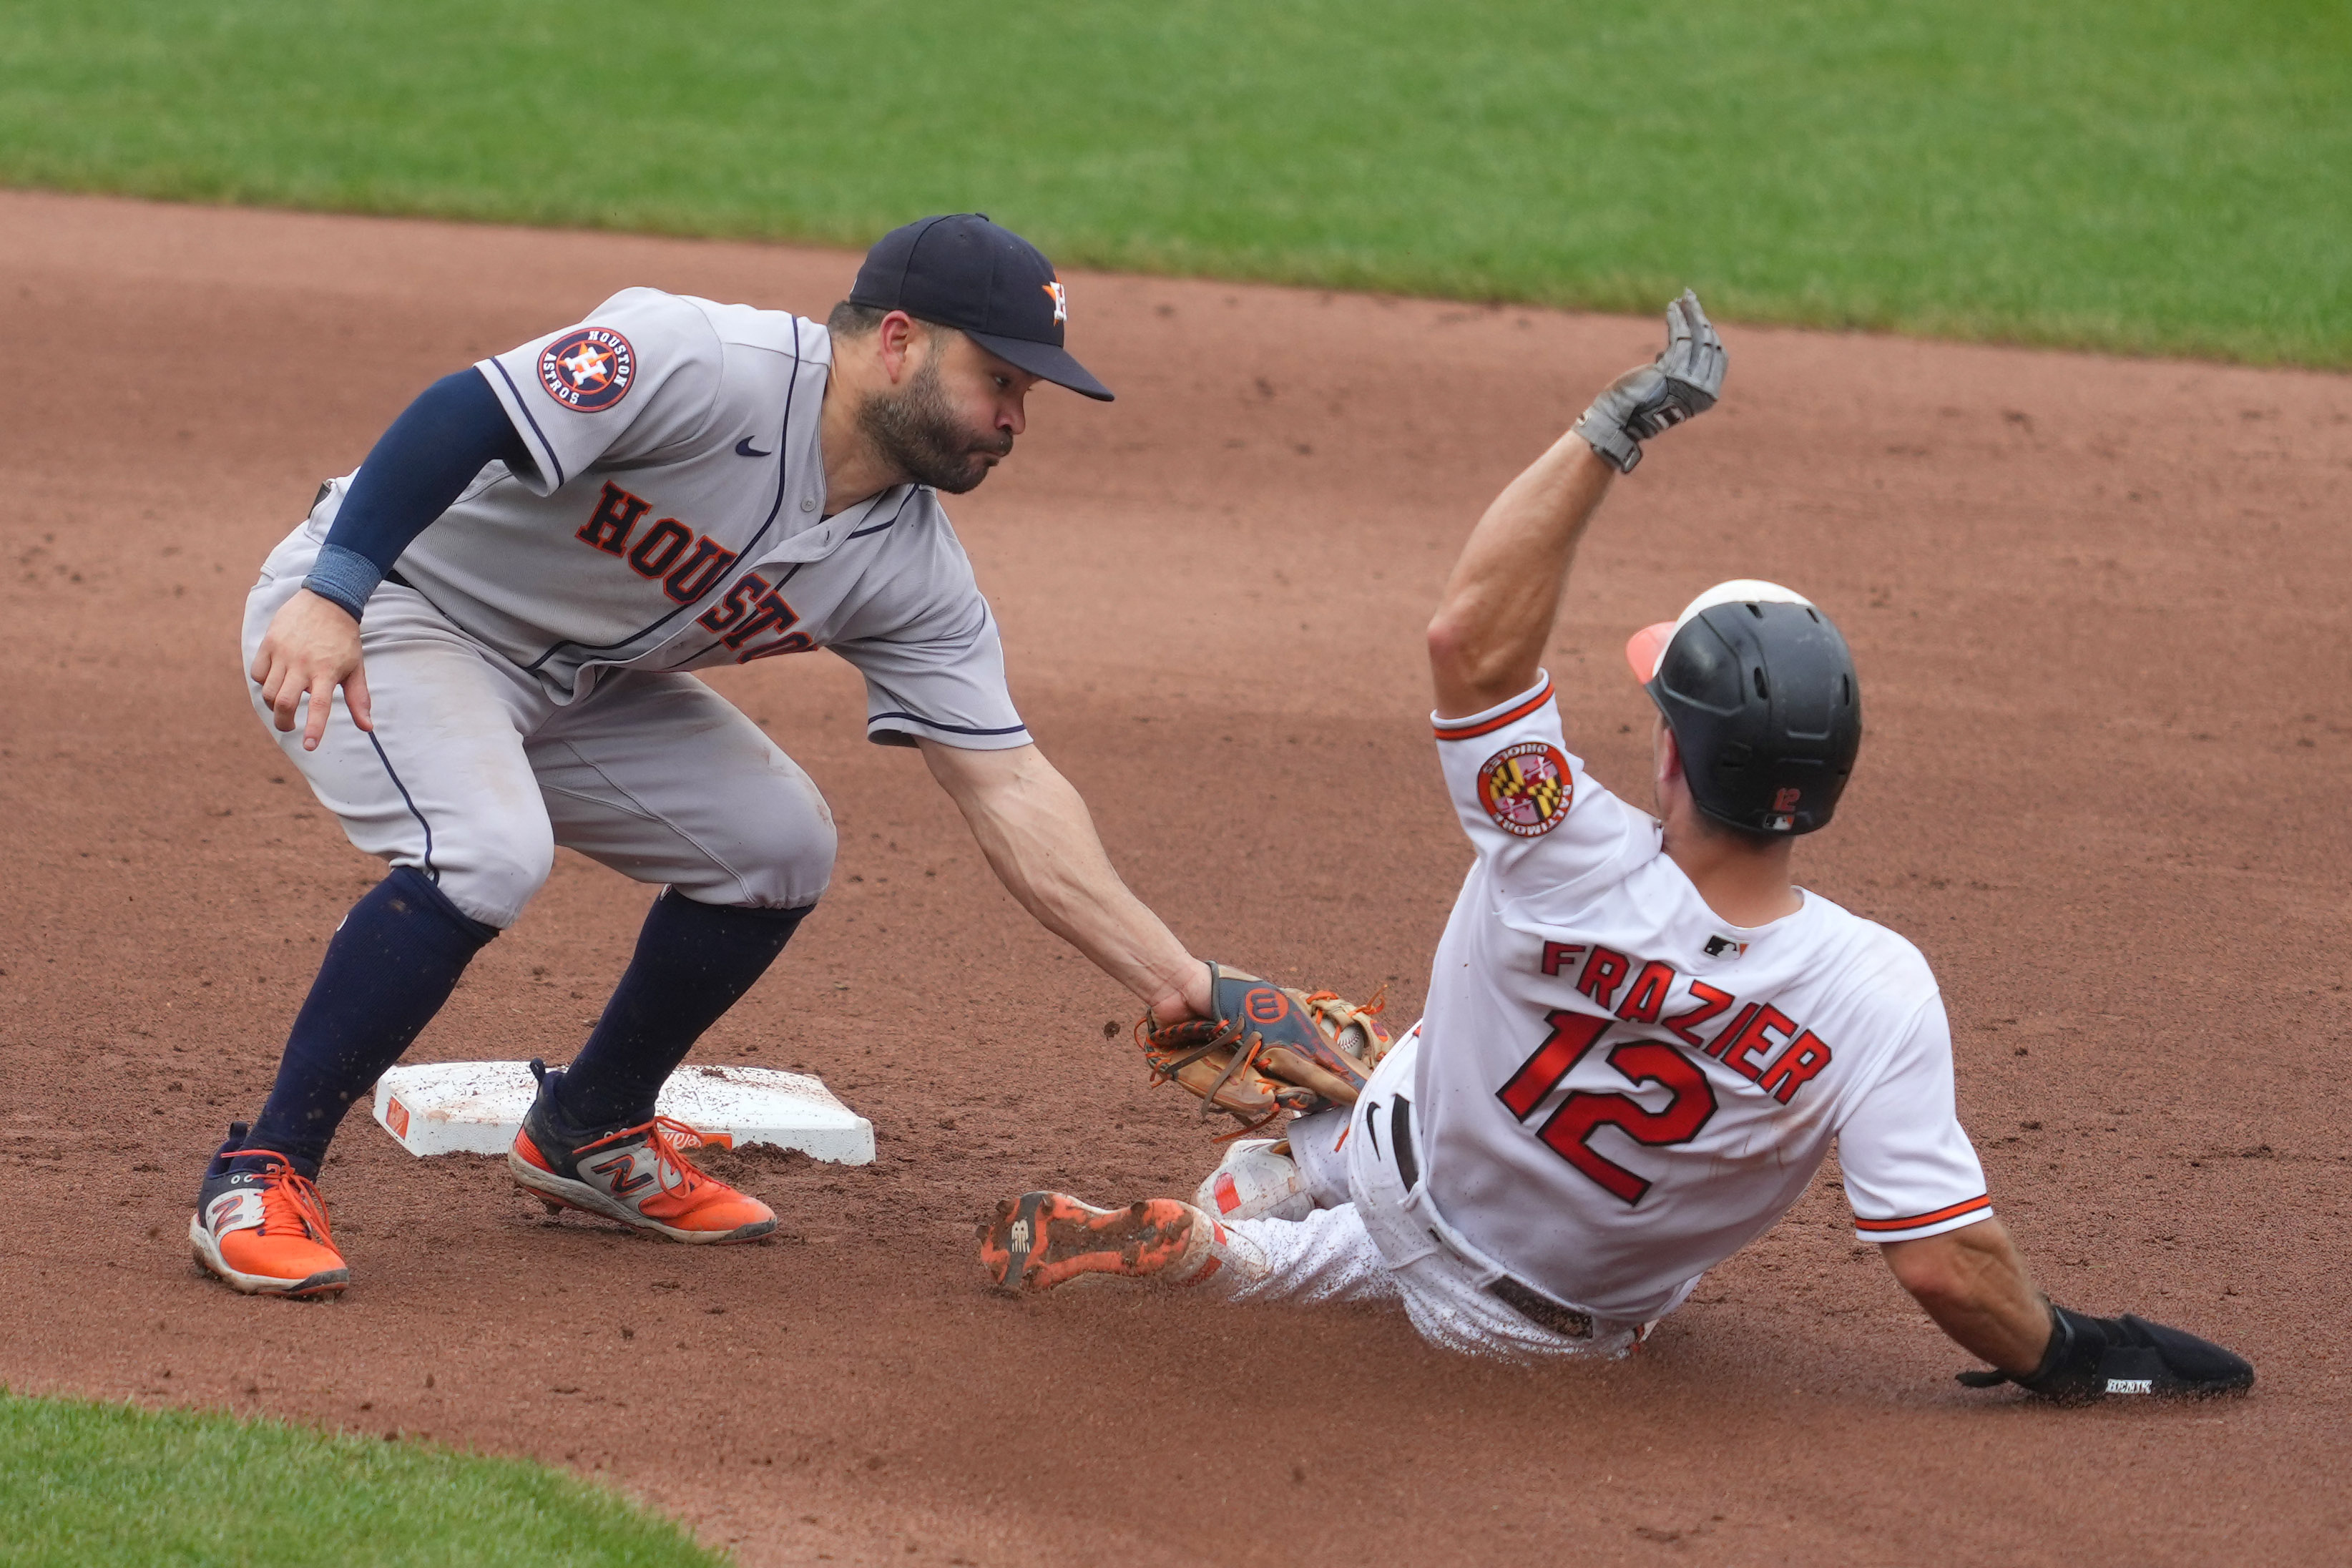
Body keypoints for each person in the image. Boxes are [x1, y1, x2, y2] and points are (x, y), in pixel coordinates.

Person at [979, 295, 2253, 1401]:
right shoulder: (1877, 992)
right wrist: (2079, 1352)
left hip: (1403, 1159)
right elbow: (1940, 1260)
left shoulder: (1554, 839)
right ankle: (1246, 1241)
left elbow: (1470, 642)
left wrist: (1609, 432)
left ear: (1670, 754)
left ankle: (1255, 1206)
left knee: (1418, 1062)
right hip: (1526, 1332)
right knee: (1492, 1208)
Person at [193, 215, 1214, 1298]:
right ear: (901, 343)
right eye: (1000, 379)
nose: (1014, 419)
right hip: (392, 609)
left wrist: (1179, 983)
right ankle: (260, 1173)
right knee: (488, 852)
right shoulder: (703, 362)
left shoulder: (912, 568)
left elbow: (1008, 784)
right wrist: (334, 593)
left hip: (569, 679)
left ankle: (589, 1129)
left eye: (1029, 396)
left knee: (777, 844)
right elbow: (466, 410)